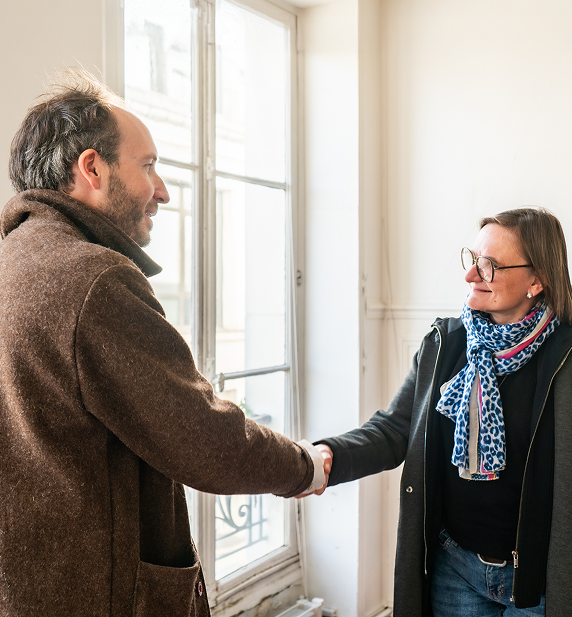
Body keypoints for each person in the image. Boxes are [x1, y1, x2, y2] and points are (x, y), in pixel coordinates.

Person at [0, 70, 324, 617]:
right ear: (92, 168)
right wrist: (305, 466)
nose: (164, 191)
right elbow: (204, 438)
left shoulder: (14, 260)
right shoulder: (94, 279)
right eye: (148, 165)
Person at [308, 208, 572, 617]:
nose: (470, 275)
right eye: (473, 259)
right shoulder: (445, 344)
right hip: (456, 570)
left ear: (536, 281)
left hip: (539, 580)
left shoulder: (565, 357)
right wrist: (329, 455)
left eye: (489, 266)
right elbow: (396, 429)